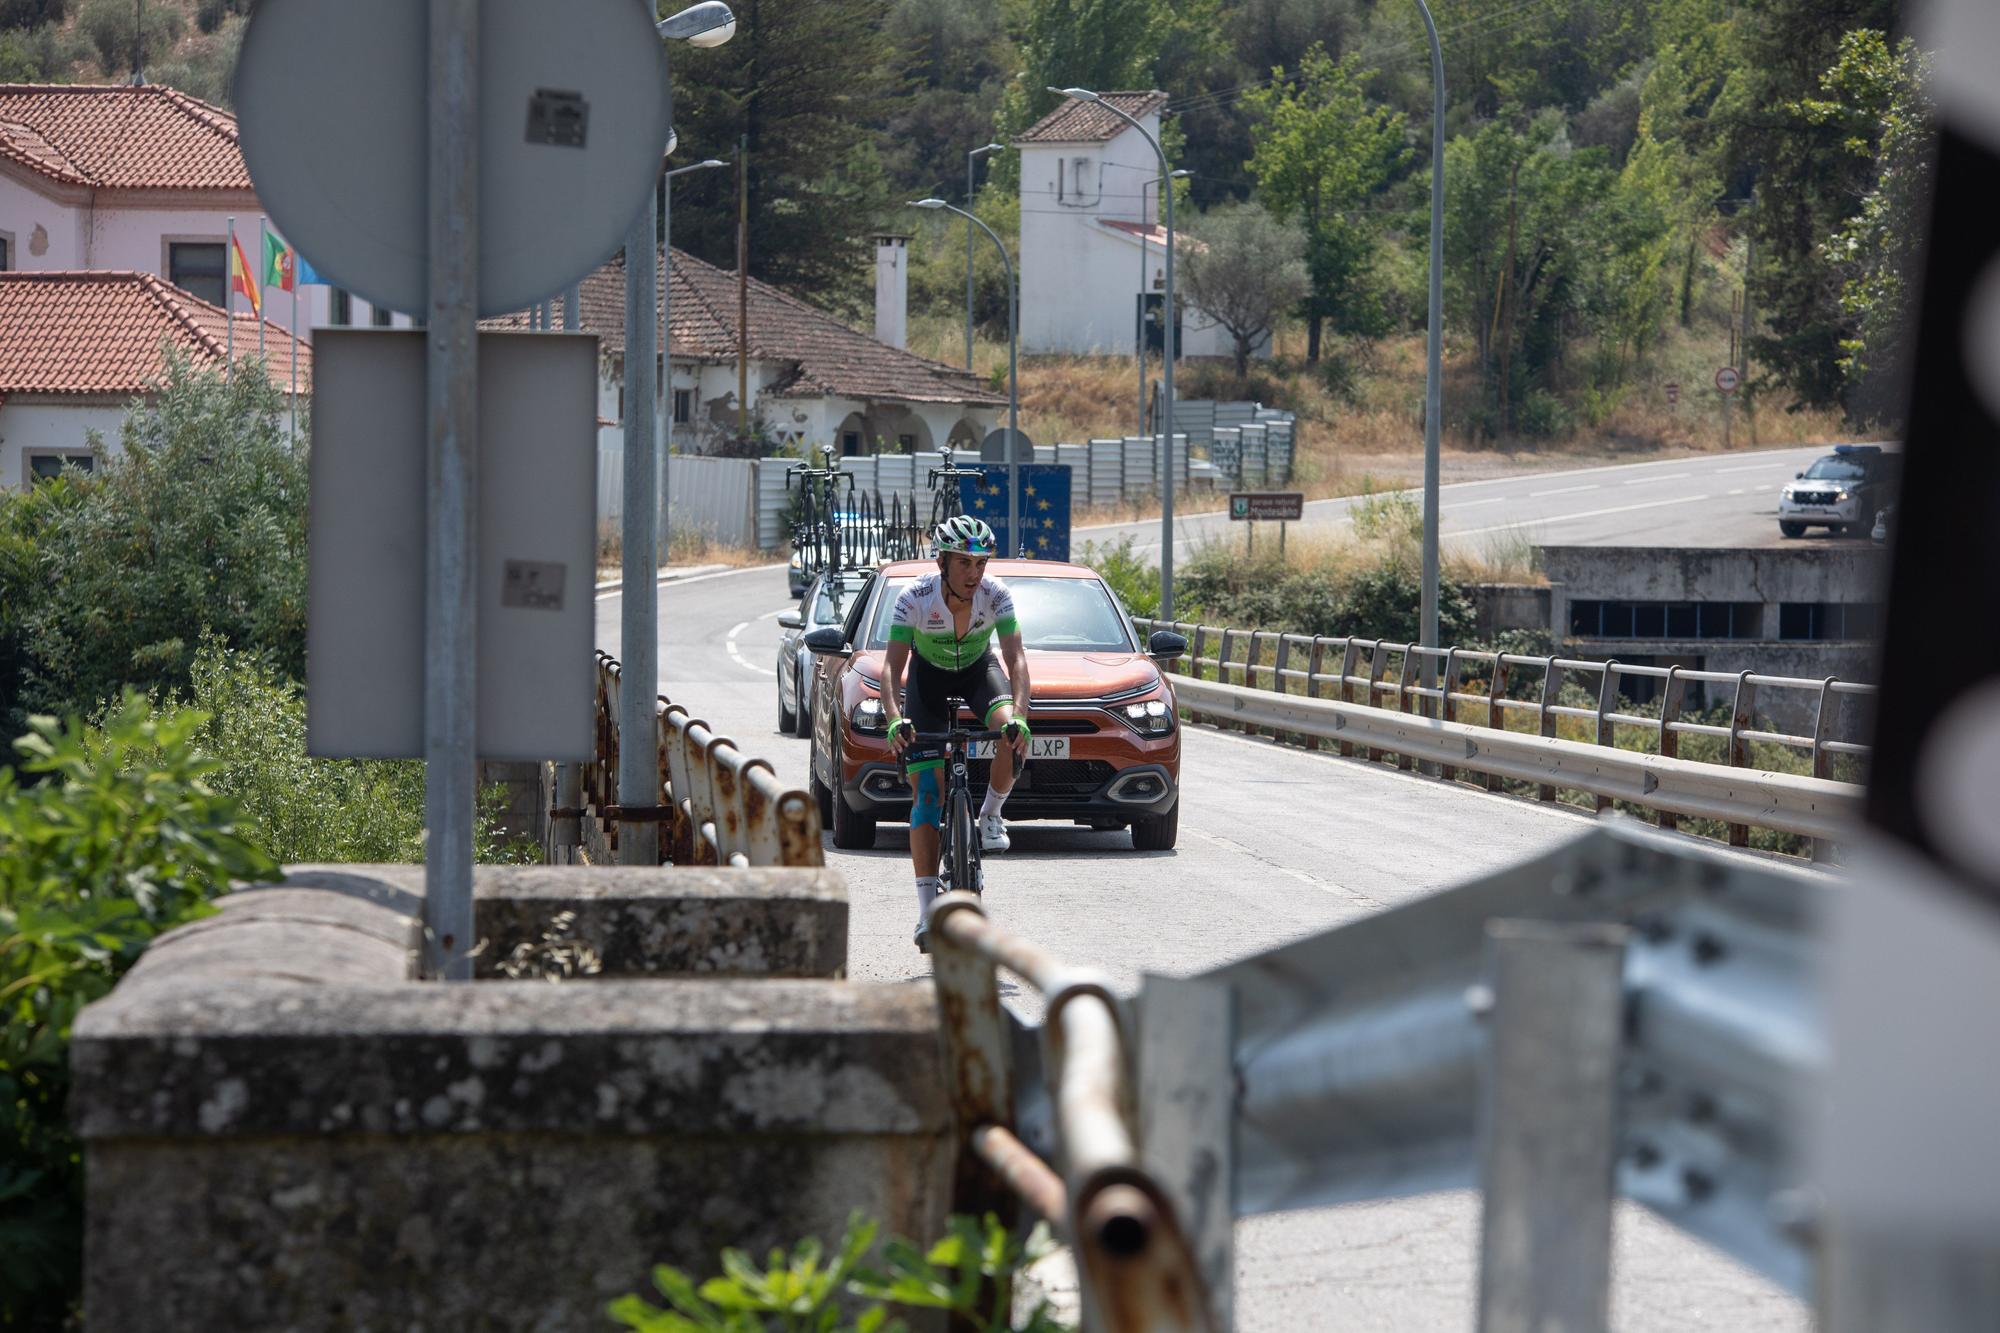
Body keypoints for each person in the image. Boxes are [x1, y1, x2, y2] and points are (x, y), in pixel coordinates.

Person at [882, 515, 1032, 952]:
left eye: (981, 563)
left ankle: (989, 815)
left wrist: (1020, 714)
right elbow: (893, 668)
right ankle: (928, 911)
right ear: (943, 562)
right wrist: (894, 718)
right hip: (927, 682)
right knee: (928, 794)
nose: (974, 573)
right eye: (964, 563)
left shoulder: (996, 595)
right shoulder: (914, 597)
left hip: (977, 672)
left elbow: (1015, 659)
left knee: (1011, 731)